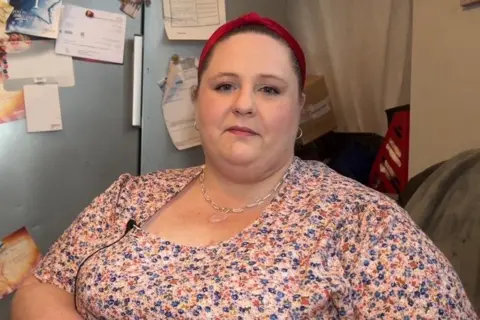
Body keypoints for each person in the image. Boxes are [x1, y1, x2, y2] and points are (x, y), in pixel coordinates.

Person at [11, 12, 477, 320]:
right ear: (198, 104)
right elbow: (40, 288)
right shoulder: (131, 196)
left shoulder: (363, 222)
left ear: (298, 110)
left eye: (270, 89)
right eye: (225, 85)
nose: (244, 105)